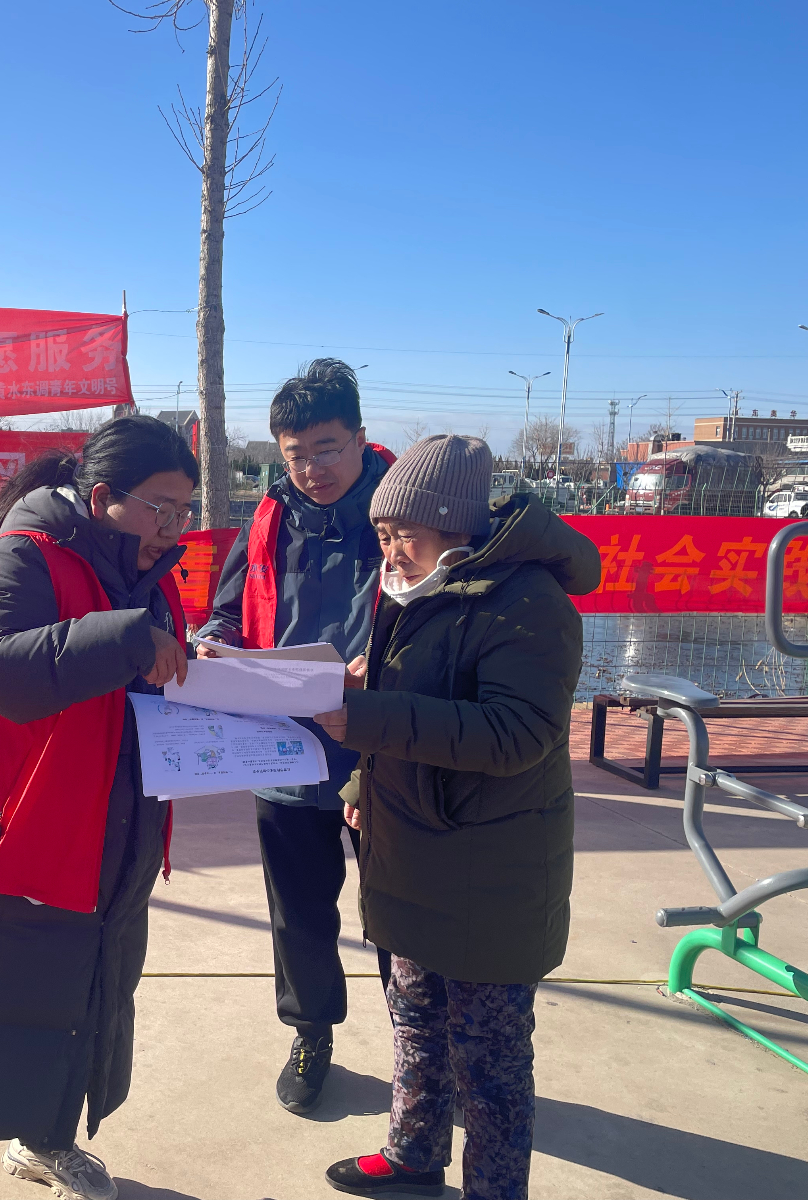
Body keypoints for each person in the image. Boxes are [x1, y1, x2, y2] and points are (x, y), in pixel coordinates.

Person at [0, 414, 199, 1200]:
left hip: (110, 838)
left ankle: (43, 1140)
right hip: (7, 839)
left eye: (185, 511)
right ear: (104, 496)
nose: (174, 528)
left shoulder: (155, 581)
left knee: (79, 1007)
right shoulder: (24, 557)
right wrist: (125, 637)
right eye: (161, 508)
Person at [310, 435, 599, 1200]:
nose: (391, 551)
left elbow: (516, 734)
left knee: (489, 1064)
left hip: (489, 874)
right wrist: (362, 781)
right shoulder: (415, 588)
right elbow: (410, 701)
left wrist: (365, 715)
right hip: (412, 854)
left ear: (457, 526)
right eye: (382, 534)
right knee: (414, 1022)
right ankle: (413, 1155)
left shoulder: (529, 602)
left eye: (404, 533)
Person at [195, 358, 397, 1114]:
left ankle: (422, 1047)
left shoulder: (405, 514)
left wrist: (386, 664)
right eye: (296, 454)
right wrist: (214, 646)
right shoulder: (269, 518)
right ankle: (311, 1033)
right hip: (282, 749)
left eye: (327, 448)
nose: (312, 469)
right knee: (299, 912)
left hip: (382, 747)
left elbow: (446, 615)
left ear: (360, 439)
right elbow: (226, 612)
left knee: (400, 911)